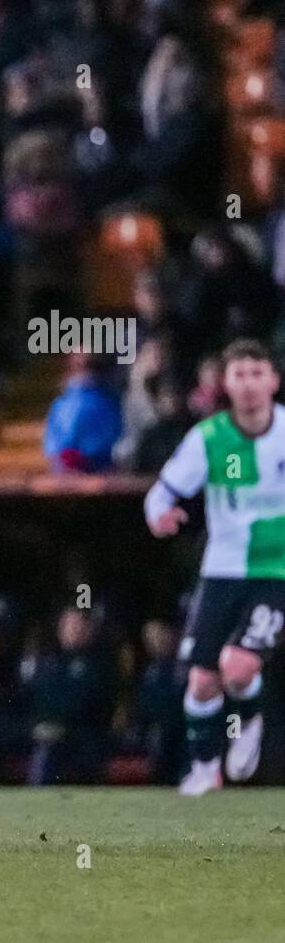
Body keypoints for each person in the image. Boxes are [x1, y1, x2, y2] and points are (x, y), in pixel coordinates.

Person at [145, 338, 285, 795]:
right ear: (226, 383)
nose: (248, 385)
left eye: (256, 374)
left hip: (275, 572)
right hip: (221, 570)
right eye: (239, 375)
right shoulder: (208, 439)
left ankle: (249, 718)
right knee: (202, 681)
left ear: (273, 381)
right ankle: (206, 768)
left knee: (238, 667)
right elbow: (160, 493)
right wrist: (159, 515)